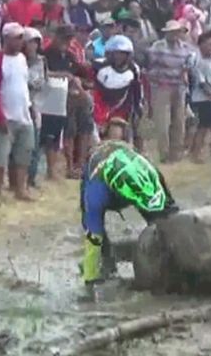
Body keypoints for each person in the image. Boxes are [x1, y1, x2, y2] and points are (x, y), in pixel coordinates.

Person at [80, 134, 178, 285]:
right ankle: (108, 262)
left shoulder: (153, 174)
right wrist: (90, 278)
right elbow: (93, 235)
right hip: (101, 173)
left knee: (163, 219)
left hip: (128, 158)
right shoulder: (95, 194)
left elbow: (172, 214)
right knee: (93, 228)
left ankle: (170, 259)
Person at [0, 22, 35, 204]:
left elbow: (24, 86)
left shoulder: (22, 59)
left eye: (21, 37)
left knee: (24, 153)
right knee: (1, 156)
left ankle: (20, 189)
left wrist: (30, 109)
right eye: (17, 38)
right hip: (5, 116)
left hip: (24, 114)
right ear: (6, 38)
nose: (20, 41)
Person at [44, 26, 90, 179]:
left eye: (69, 39)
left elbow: (79, 74)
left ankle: (79, 165)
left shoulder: (69, 56)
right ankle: (64, 167)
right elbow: (43, 72)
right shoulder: (47, 53)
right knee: (60, 132)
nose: (67, 42)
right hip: (52, 98)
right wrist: (63, 75)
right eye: (64, 38)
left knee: (83, 122)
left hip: (71, 97)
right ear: (56, 36)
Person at [146, 20, 191, 163]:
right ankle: (164, 154)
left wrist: (185, 73)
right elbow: (149, 66)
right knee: (163, 122)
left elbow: (188, 65)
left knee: (179, 121)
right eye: (172, 32)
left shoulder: (185, 48)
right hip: (161, 87)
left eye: (177, 32)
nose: (174, 34)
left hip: (179, 86)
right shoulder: (157, 47)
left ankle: (176, 152)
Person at [92, 35, 143, 144]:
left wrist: (137, 110)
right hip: (98, 109)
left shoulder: (134, 70)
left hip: (120, 111)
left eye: (122, 54)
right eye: (116, 53)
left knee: (115, 136)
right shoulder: (97, 66)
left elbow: (136, 92)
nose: (118, 57)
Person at [187, 33, 211, 164]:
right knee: (210, 127)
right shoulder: (196, 60)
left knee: (205, 127)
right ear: (200, 45)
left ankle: (197, 153)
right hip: (201, 99)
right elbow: (201, 83)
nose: (210, 47)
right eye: (207, 44)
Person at [23, 27, 48, 186]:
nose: (33, 46)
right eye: (30, 42)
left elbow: (43, 80)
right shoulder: (18, 60)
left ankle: (31, 178)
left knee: (35, 144)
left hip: (36, 105)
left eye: (35, 43)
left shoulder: (41, 61)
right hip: (21, 105)